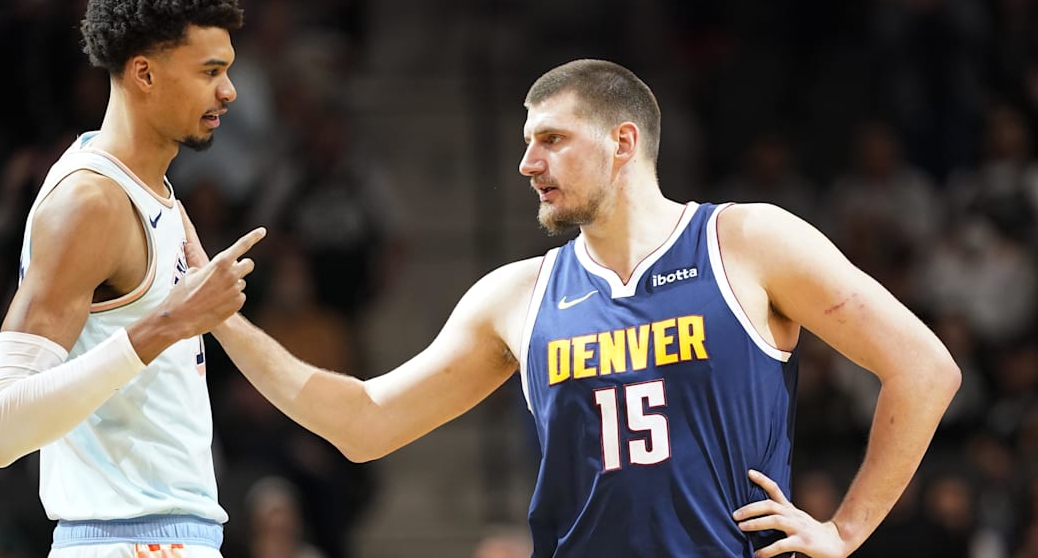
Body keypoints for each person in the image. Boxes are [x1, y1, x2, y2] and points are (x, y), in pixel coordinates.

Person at [187, 59, 961, 557]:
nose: (528, 164)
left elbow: (925, 369)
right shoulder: (516, 296)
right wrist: (220, 317)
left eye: (552, 140)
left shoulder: (748, 242)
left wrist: (847, 529)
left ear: (624, 142)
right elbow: (362, 422)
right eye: (527, 143)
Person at [0, 0, 265, 558]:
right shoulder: (90, 202)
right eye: (211, 71)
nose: (229, 90)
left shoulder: (153, 192)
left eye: (229, 70)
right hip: (121, 541)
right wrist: (166, 325)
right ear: (144, 74)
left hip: (170, 537)